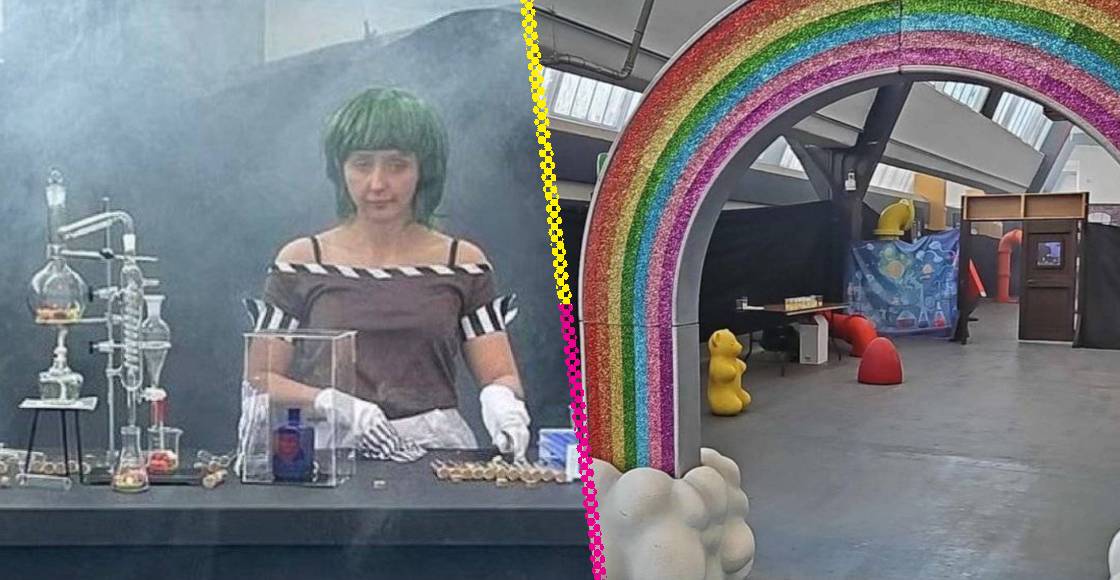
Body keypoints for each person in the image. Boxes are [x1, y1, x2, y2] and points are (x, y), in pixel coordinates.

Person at [243, 87, 530, 462]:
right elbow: (260, 380)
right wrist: (331, 402)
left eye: (397, 165)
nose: (377, 184)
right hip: (330, 457)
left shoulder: (463, 263)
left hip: (435, 456)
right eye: (362, 164)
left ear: (423, 170)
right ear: (340, 168)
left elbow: (500, 374)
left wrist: (502, 402)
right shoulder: (299, 262)